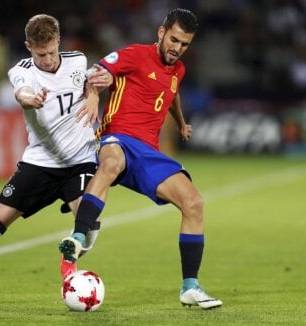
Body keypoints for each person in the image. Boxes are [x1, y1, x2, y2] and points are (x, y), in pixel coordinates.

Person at [0, 14, 112, 307]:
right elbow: (21, 92)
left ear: (58, 42)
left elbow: (94, 78)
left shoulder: (77, 60)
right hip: (39, 163)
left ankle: (68, 264)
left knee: (88, 222)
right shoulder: (22, 71)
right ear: (29, 47)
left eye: (52, 51)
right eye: (41, 54)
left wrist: (93, 96)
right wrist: (30, 98)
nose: (49, 59)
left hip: (80, 161)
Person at [59, 8, 223, 309]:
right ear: (161, 33)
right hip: (117, 137)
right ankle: (79, 236)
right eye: (174, 40)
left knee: (194, 203)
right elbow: (99, 73)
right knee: (111, 164)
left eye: (184, 44)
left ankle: (190, 287)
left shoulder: (178, 69)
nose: (177, 48)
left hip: (149, 153)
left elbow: (171, 92)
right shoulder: (134, 55)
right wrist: (94, 95)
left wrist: (182, 122)